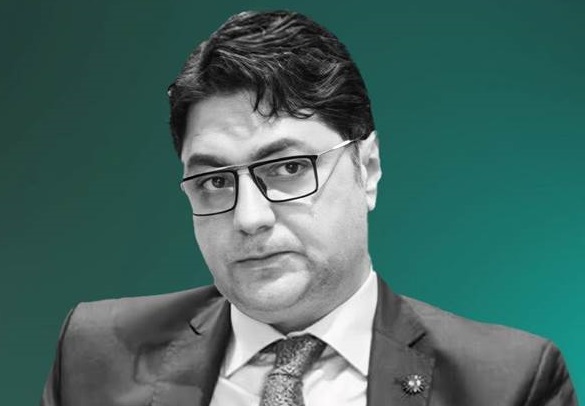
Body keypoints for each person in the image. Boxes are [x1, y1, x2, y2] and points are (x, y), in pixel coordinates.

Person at [41, 10, 578, 406]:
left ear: (367, 168)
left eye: (289, 168)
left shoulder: (509, 383)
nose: (249, 218)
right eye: (215, 181)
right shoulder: (96, 354)